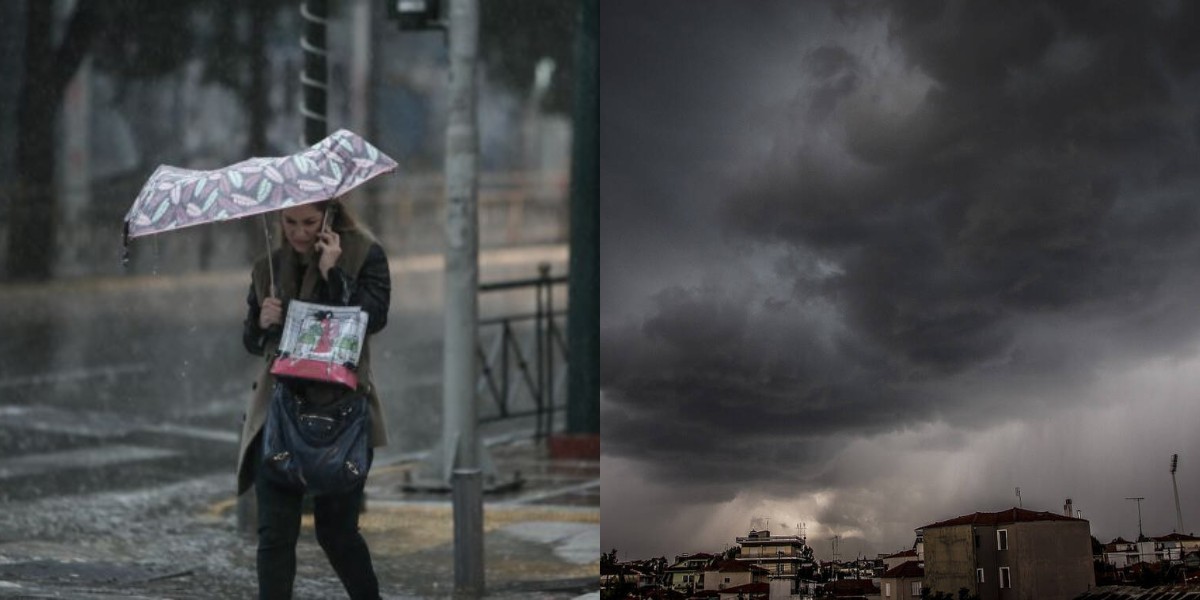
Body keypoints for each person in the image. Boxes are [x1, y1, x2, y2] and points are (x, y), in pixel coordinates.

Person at [236, 199, 390, 600]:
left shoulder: (363, 254)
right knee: (275, 535)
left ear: (330, 217)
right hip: (278, 413)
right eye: (289, 222)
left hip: (340, 414)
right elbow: (253, 343)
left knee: (337, 534)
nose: (299, 232)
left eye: (309, 222)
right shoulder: (267, 267)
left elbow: (373, 318)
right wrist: (260, 322)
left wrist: (334, 274)